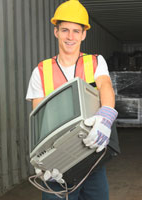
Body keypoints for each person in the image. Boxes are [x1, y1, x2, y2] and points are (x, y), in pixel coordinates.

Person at [26, 0, 118, 199]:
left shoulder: (95, 62)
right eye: (65, 30)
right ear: (56, 32)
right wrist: (43, 162)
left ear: (84, 34)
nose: (70, 36)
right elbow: (41, 123)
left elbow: (105, 86)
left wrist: (106, 115)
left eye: (76, 31)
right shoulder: (41, 71)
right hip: (59, 164)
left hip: (91, 156)